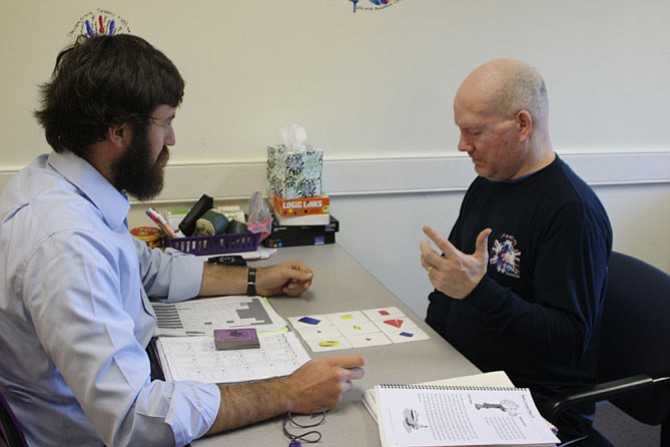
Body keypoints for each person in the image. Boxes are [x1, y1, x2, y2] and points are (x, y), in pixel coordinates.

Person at [0, 34, 364, 447]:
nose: (171, 140)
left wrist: (254, 280)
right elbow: (137, 420)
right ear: (119, 132)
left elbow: (147, 266)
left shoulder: (54, 182)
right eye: (165, 122)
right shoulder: (67, 245)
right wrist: (290, 392)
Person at [419, 58, 612, 444]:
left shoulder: (572, 212)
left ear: (523, 125)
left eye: (474, 131)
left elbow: (568, 341)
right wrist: (427, 353)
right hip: (467, 374)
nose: (462, 145)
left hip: (532, 402)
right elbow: (450, 290)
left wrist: (478, 291)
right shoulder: (488, 182)